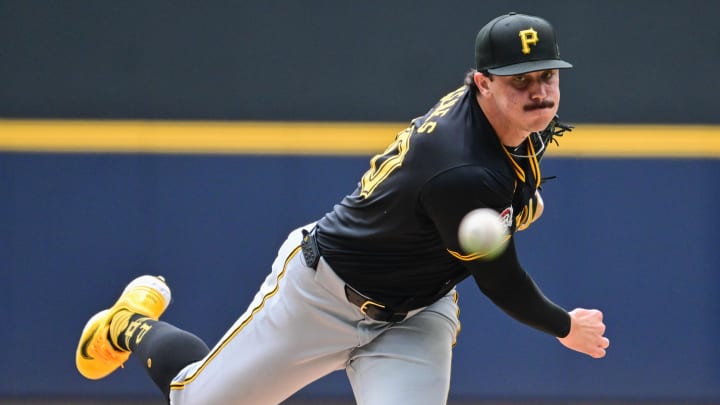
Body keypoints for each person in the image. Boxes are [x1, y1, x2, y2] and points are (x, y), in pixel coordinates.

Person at [76, 12, 609, 405]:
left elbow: (501, 190)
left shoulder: (512, 123)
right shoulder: (461, 170)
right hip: (322, 296)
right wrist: (564, 327)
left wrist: (509, 210)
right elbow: (500, 280)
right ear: (482, 83)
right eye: (521, 80)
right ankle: (128, 324)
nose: (539, 92)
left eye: (548, 76)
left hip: (415, 315)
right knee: (193, 400)